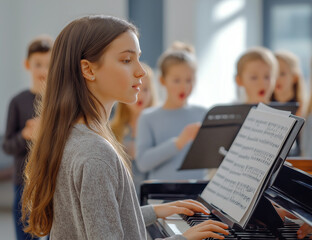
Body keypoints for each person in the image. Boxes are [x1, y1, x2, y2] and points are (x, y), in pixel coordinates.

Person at [20, 15, 228, 240]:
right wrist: (183, 238)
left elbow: (98, 218)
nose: (141, 71)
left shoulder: (72, 136)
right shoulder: (95, 154)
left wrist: (157, 211)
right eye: (127, 61)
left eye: (138, 59)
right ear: (88, 70)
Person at [2, 35, 53, 240]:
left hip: (53, 181)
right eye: (38, 64)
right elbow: (6, 146)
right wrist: (27, 135)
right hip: (23, 183)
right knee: (24, 235)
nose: (43, 70)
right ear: (27, 64)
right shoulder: (17, 102)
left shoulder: (58, 103)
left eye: (48, 65)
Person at [135, 42, 207, 181]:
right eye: (176, 80)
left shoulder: (202, 114)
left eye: (189, 80)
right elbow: (143, 163)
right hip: (162, 196)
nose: (184, 87)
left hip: (197, 195)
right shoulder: (148, 117)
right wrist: (179, 142)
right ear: (162, 80)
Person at [111, 62, 157, 196]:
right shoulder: (113, 128)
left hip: (150, 195)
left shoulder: (157, 127)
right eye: (136, 87)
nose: (140, 95)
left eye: (146, 89)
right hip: (124, 195)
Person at [272, 50, 307, 116]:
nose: (277, 78)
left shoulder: (305, 109)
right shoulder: (264, 105)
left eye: (282, 74)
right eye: (273, 73)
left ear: (295, 78)